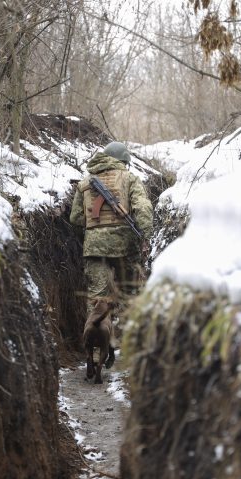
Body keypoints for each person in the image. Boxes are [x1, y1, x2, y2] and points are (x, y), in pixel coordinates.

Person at [70, 141, 153, 368]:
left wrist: (92, 235)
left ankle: (94, 348)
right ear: (124, 161)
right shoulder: (130, 179)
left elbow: (76, 219)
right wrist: (146, 235)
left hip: (95, 248)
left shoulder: (86, 182)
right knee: (128, 294)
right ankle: (128, 346)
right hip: (126, 247)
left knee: (98, 299)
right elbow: (143, 207)